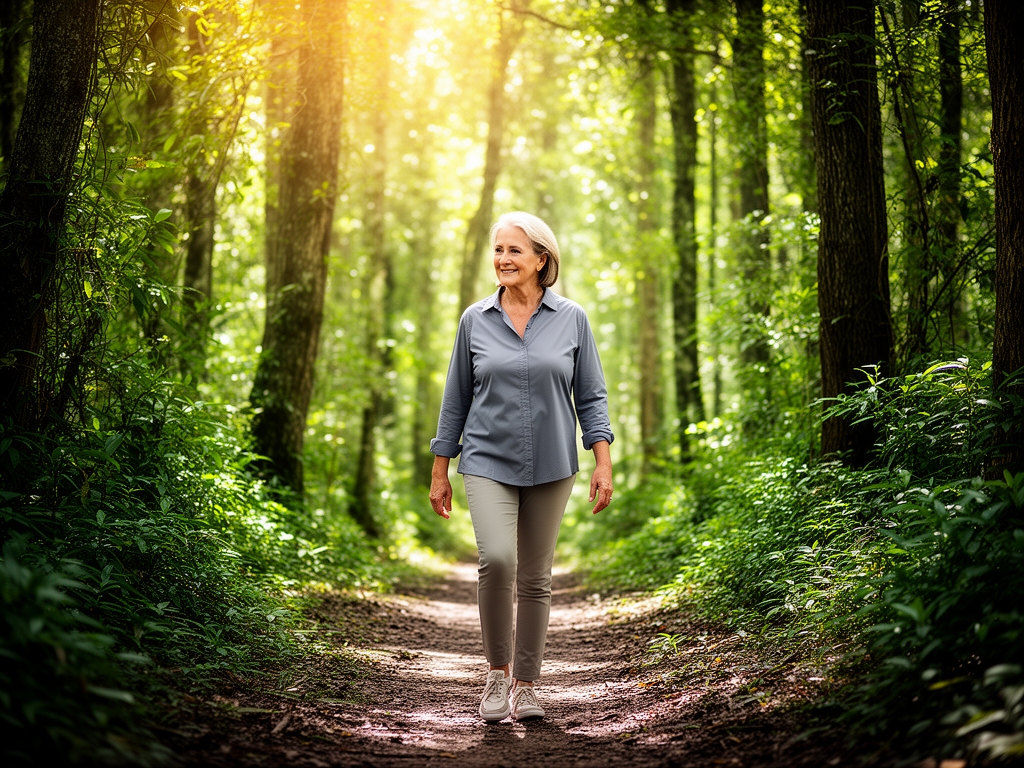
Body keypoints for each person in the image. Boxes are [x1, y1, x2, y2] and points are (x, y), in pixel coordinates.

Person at [429, 211, 614, 723]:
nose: (503, 260)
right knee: (498, 560)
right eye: (497, 250)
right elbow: (455, 400)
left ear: (541, 259)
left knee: (535, 577)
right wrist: (440, 469)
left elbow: (592, 396)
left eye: (514, 251)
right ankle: (495, 674)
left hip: (554, 462)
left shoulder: (572, 318)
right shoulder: (475, 319)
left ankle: (526, 686)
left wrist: (603, 462)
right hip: (487, 459)